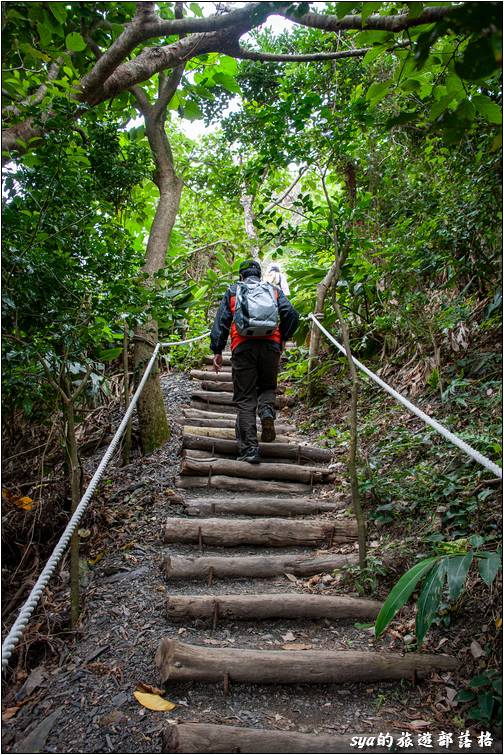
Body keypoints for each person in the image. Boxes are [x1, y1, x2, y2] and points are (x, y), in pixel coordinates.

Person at [210, 259, 299, 463]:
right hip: (271, 345)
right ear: (259, 275)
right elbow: (291, 315)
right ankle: (267, 410)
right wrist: (283, 338)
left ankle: (250, 449)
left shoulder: (234, 291)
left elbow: (222, 322)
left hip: (242, 346)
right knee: (267, 386)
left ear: (241, 276)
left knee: (245, 398)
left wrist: (217, 350)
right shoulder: (273, 290)